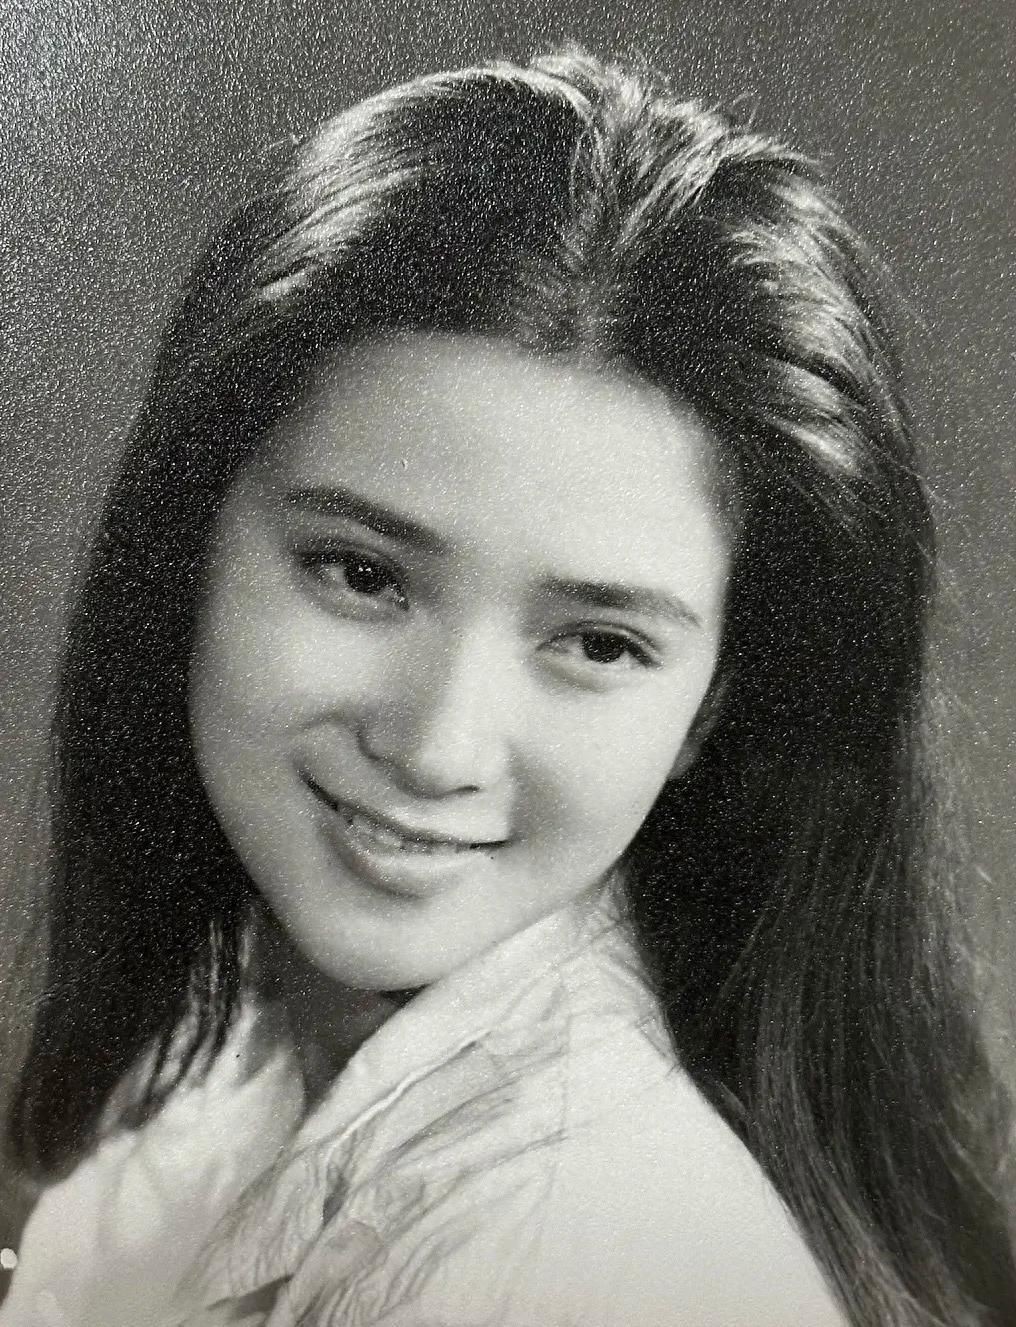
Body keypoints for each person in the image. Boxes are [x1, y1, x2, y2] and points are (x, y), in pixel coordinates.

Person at [1, 48, 1013, 1327]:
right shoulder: (232, 1066)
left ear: (709, 707)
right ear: (187, 539)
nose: (436, 744)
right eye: (361, 573)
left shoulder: (564, 1253)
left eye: (597, 644)